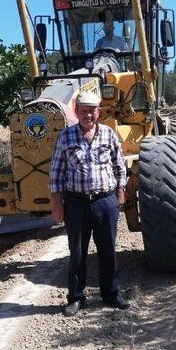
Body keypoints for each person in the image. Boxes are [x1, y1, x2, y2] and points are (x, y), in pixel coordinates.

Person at [49, 90, 129, 316]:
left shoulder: (109, 135)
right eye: (84, 111)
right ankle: (75, 297)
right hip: (76, 204)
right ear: (76, 112)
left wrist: (120, 192)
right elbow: (56, 172)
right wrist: (57, 204)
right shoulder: (65, 137)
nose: (89, 115)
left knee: (108, 250)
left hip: (105, 201)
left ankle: (111, 294)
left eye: (92, 111)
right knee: (77, 252)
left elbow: (119, 165)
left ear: (99, 112)